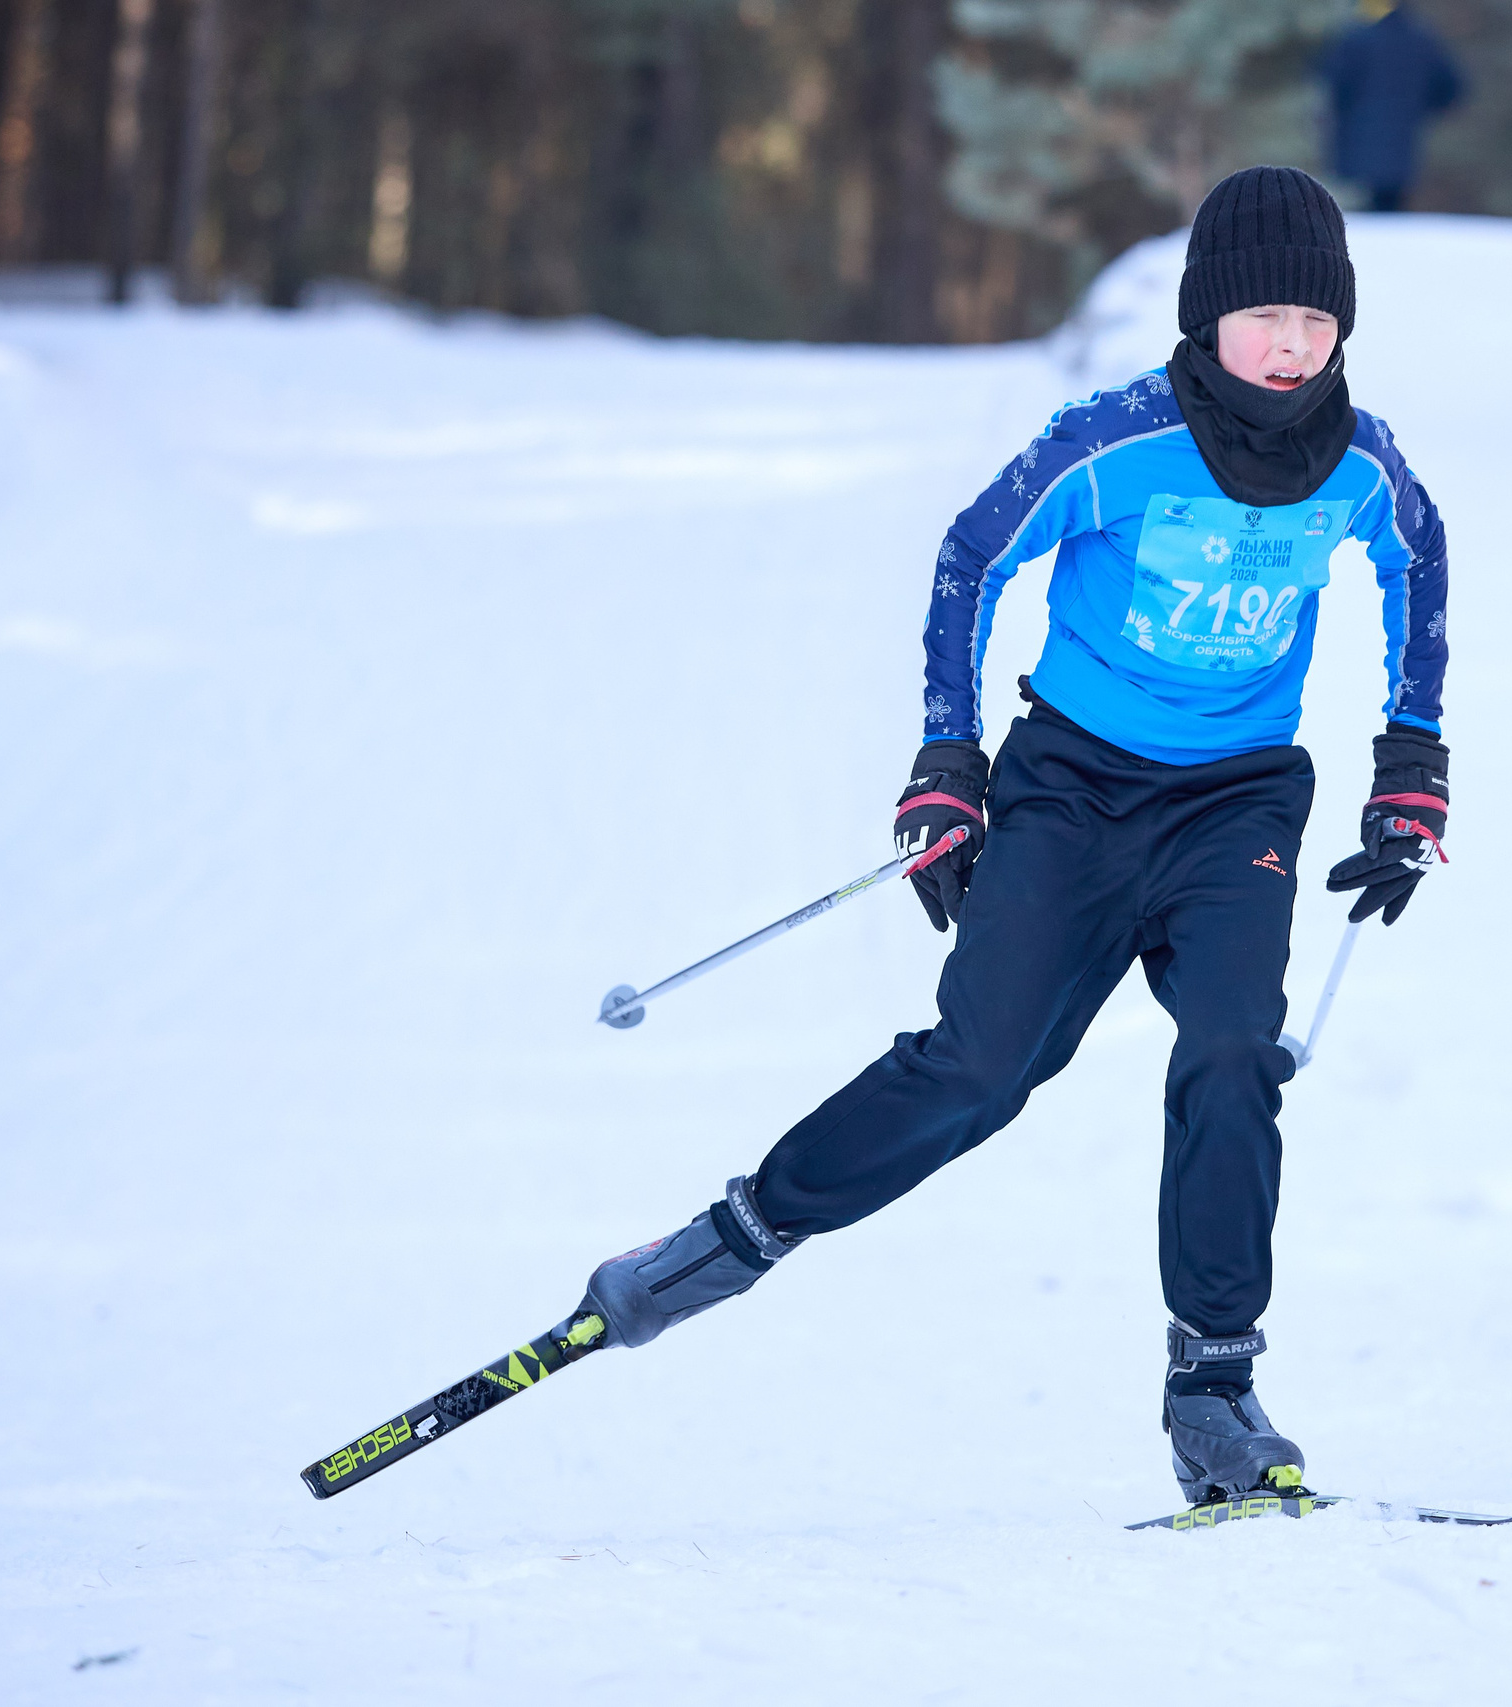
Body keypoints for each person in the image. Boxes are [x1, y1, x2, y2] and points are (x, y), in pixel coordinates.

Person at [563, 167, 1450, 1511]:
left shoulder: (1362, 461)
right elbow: (970, 559)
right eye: (1266, 316)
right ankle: (734, 1235)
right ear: (1209, 317)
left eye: (1317, 321)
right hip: (1073, 791)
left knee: (1233, 1056)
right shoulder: (1115, 441)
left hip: (1238, 805)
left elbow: (1418, 560)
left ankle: (1214, 1391)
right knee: (980, 1069)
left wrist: (1412, 766)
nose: (1292, 345)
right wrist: (947, 761)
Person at [1321, 1, 1467, 213]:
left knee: (1357, 213)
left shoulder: (1355, 38)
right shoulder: (1421, 39)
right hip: (1401, 146)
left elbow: (1333, 83)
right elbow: (1451, 86)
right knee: (1390, 210)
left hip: (1356, 143)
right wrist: (1422, 109)